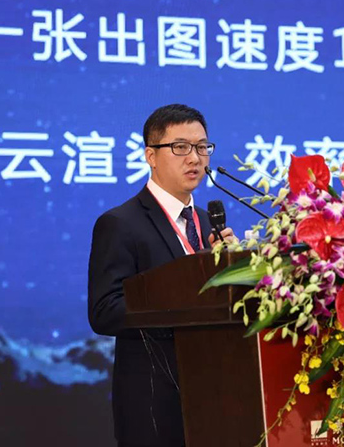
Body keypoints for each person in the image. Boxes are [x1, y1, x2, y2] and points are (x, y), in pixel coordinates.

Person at [88, 104, 234, 447]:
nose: (194, 158)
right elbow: (105, 311)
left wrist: (232, 270)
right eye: (180, 147)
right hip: (154, 404)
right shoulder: (120, 224)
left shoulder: (207, 221)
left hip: (216, 396)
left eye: (202, 147)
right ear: (151, 156)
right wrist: (187, 293)